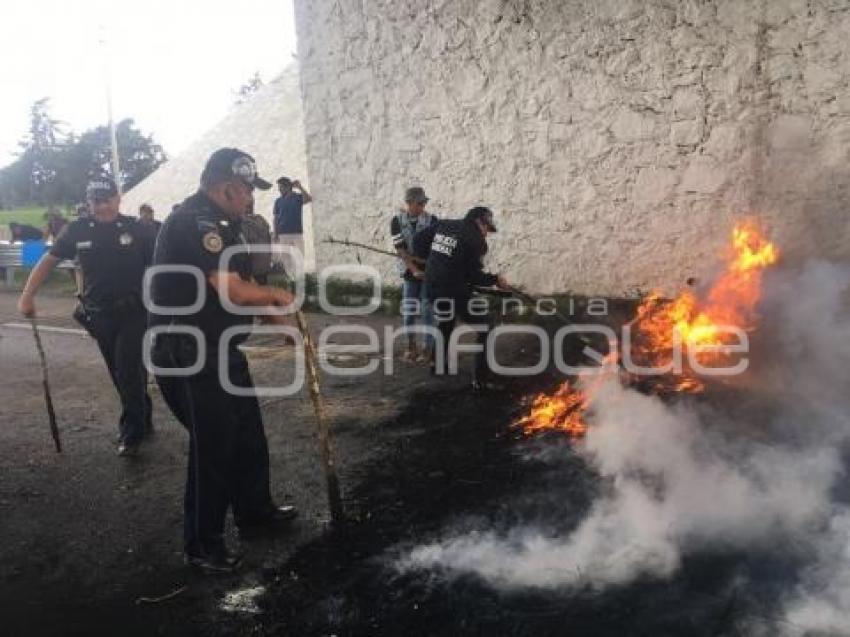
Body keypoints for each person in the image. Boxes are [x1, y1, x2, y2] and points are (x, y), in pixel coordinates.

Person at [149, 147, 297, 574]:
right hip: (186, 351)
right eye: (248, 189)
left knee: (247, 429)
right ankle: (202, 545)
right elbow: (231, 288)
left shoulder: (227, 224)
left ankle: (254, 511)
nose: (251, 197)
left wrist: (278, 323)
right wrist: (277, 295)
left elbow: (243, 282)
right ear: (226, 187)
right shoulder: (194, 222)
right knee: (212, 444)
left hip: (219, 346)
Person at [18, 176, 154, 456]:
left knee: (128, 370)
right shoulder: (78, 230)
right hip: (99, 315)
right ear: (88, 203)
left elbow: (163, 264)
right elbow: (48, 261)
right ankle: (143, 414)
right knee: (121, 372)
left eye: (107, 200)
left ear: (118, 199)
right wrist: (26, 295)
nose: (102, 207)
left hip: (135, 311)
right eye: (96, 202)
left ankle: (132, 434)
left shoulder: (136, 229)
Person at [415, 206, 509, 391]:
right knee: (486, 326)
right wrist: (495, 279)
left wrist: (435, 260)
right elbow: (474, 276)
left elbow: (418, 240)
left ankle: (438, 366)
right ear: (478, 222)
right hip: (452, 290)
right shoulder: (477, 242)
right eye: (486, 229)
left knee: (446, 321)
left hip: (431, 286)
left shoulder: (444, 224)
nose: (486, 234)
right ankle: (481, 380)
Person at [390, 186, 437, 363]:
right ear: (409, 203)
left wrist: (428, 267)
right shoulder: (396, 221)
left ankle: (428, 348)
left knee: (427, 310)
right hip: (409, 272)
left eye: (424, 202)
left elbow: (436, 247)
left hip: (428, 272)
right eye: (419, 203)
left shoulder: (432, 221)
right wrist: (413, 268)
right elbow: (400, 249)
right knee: (409, 311)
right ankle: (411, 346)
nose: (423, 206)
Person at [272, 176, 312, 278]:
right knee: (286, 258)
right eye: (279, 187)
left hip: (297, 233)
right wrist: (275, 233)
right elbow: (276, 218)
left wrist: (300, 187)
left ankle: (299, 278)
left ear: (288, 187)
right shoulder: (278, 201)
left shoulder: (297, 197)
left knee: (299, 256)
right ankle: (291, 279)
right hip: (283, 234)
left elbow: (308, 199)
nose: (279, 189)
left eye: (281, 187)